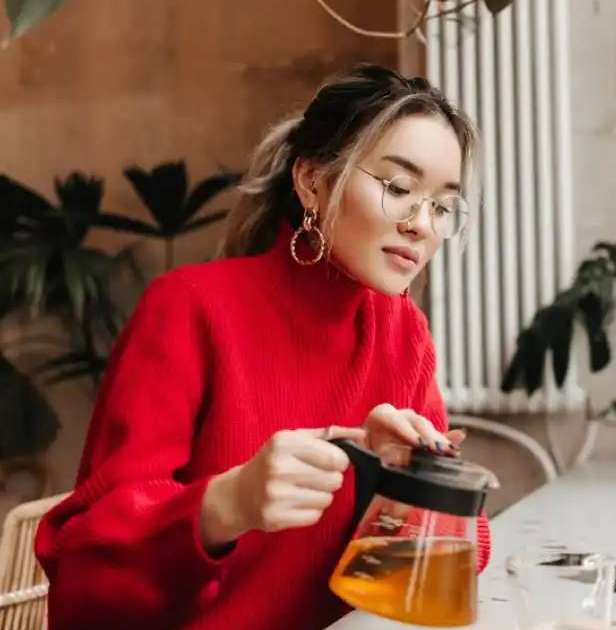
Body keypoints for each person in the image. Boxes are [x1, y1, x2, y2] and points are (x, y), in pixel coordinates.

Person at [35, 63, 491, 629]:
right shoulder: (189, 309)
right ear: (312, 182)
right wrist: (227, 504)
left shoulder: (403, 335)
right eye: (398, 189)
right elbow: (86, 575)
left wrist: (396, 479)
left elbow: (428, 574)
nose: (423, 225)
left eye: (442, 206)